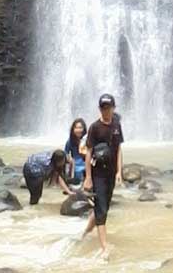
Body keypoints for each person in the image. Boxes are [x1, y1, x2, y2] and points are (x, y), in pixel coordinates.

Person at [82, 93, 124, 258]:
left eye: (109, 107)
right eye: (103, 108)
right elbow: (88, 152)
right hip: (98, 173)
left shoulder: (116, 125)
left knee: (102, 207)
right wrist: (88, 177)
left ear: (114, 108)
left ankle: (85, 233)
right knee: (101, 209)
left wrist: (120, 172)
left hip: (111, 173)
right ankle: (104, 247)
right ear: (100, 109)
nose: (106, 111)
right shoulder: (94, 127)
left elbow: (119, 149)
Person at [65, 118, 88, 185]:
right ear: (73, 129)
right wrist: (70, 159)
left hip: (86, 162)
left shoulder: (87, 139)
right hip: (75, 164)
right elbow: (65, 153)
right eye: (76, 128)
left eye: (80, 128)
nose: (78, 130)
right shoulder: (70, 141)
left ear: (84, 129)